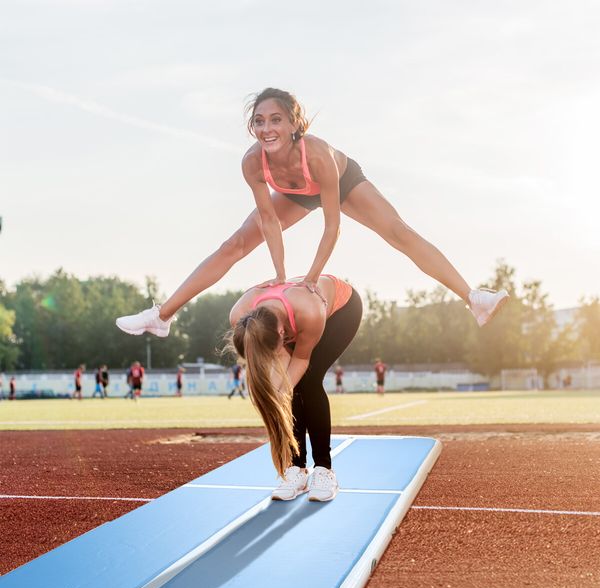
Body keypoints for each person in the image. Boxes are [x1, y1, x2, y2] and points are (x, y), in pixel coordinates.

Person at [116, 88, 508, 338]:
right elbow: (270, 221)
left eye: (276, 120)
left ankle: (473, 297)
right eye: (259, 121)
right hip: (298, 193)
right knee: (233, 244)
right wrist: (283, 275)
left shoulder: (316, 152)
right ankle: (161, 316)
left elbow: (332, 224)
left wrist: (313, 278)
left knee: (397, 232)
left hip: (339, 181)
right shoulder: (252, 163)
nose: (266, 128)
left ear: (293, 124)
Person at [227, 273, 362, 502]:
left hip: (342, 309)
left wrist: (280, 391)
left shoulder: (308, 312)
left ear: (282, 333)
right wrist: (274, 395)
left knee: (308, 379)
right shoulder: (240, 318)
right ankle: (296, 470)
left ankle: (324, 470)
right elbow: (264, 361)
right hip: (288, 313)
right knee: (292, 387)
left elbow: (301, 360)